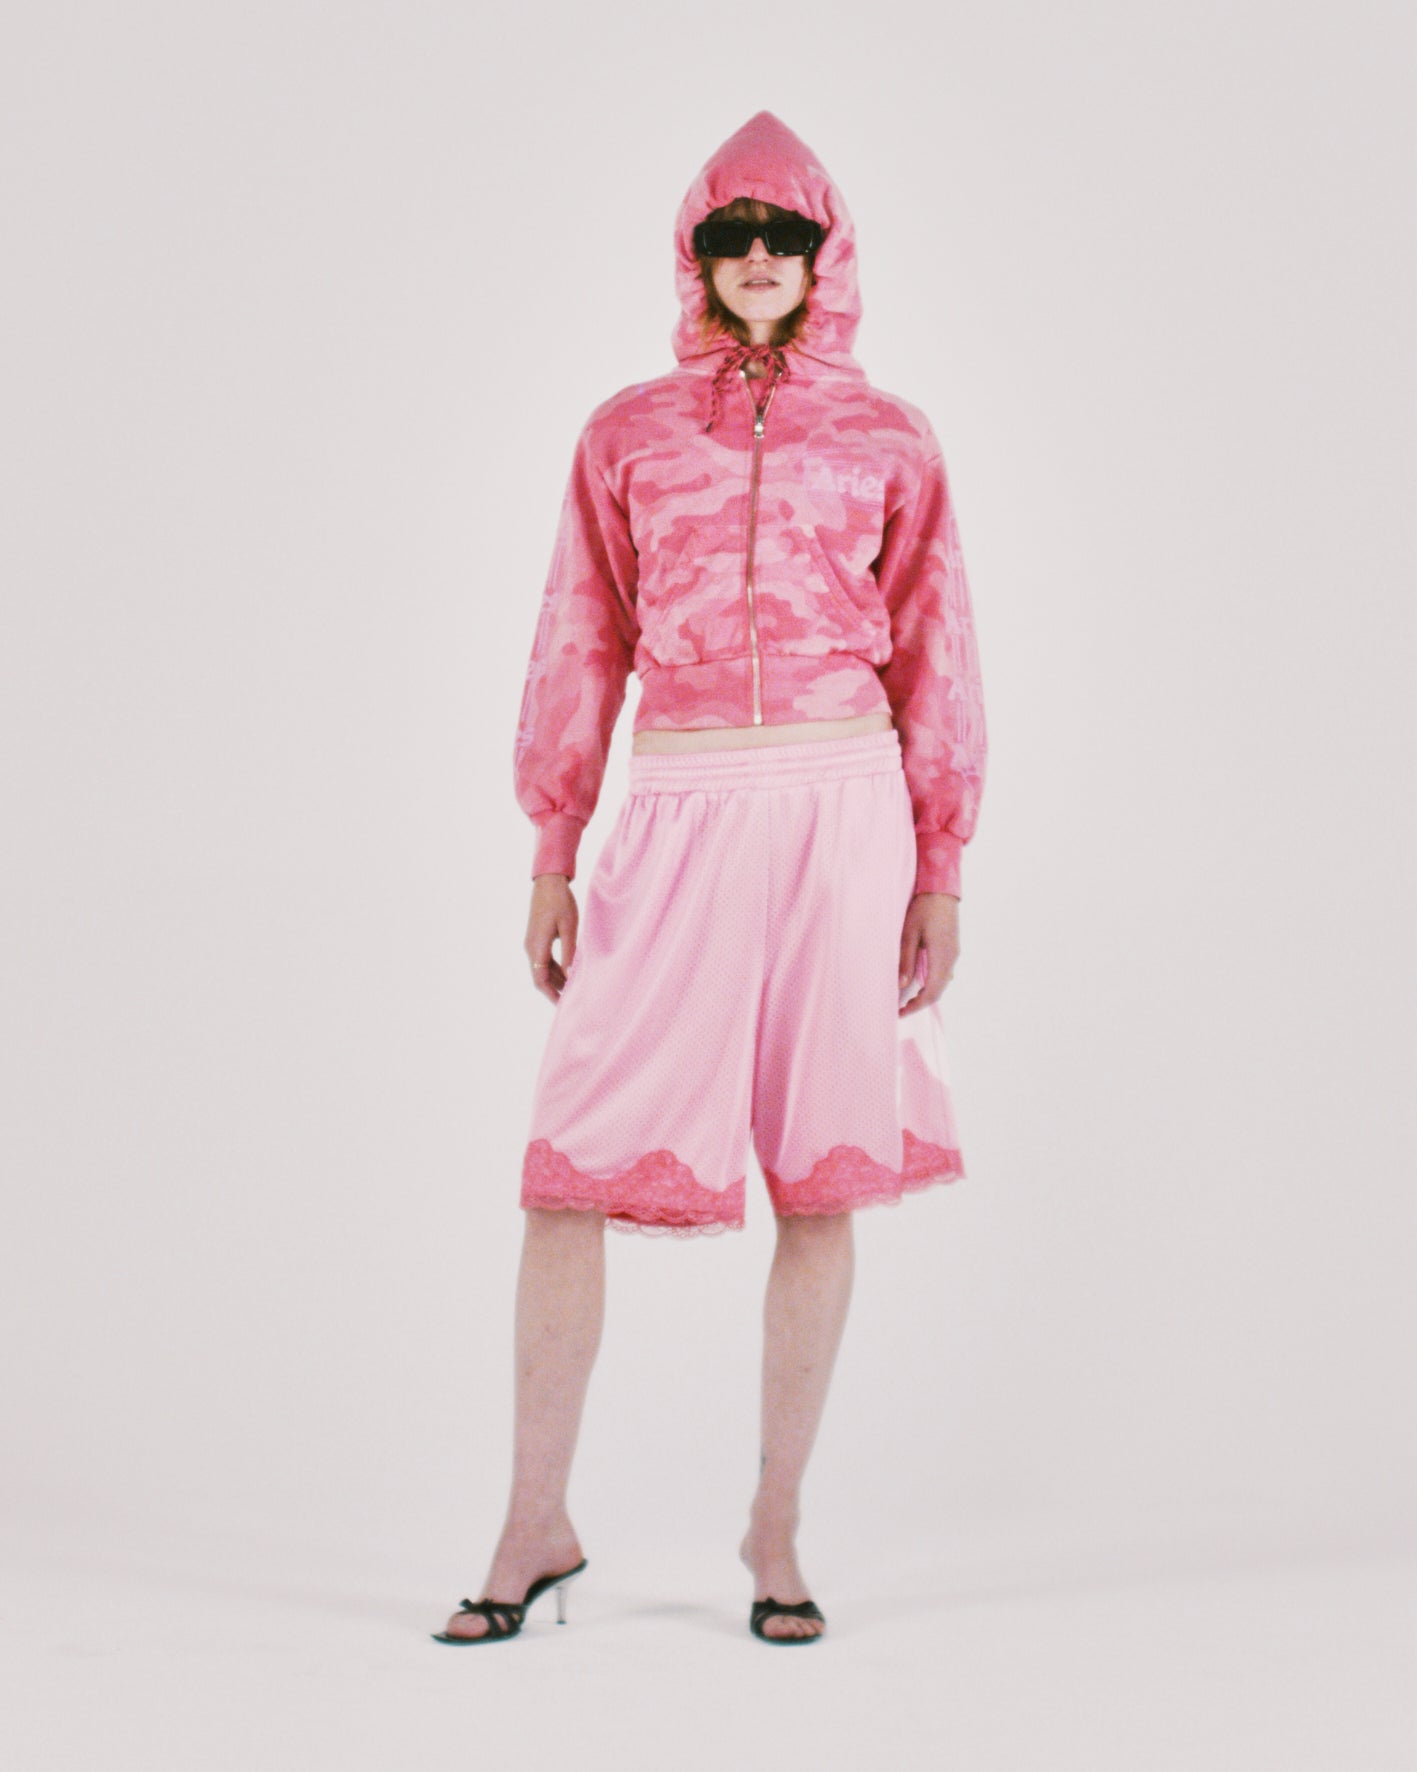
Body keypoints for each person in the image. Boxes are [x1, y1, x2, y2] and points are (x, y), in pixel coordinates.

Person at [432, 109, 987, 1647]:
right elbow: (580, 634)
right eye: (728, 235)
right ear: (693, 256)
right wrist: (554, 847)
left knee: (821, 1175)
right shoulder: (625, 432)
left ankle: (775, 1529)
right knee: (566, 1169)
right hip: (674, 806)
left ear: (824, 255)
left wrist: (940, 862)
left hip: (842, 809)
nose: (755, 257)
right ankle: (533, 1520)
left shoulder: (889, 436)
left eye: (782, 235)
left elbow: (936, 650)